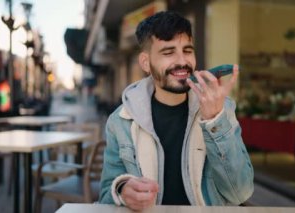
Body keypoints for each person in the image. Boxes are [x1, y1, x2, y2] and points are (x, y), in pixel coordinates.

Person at [99, 11, 254, 211]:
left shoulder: (221, 109)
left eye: (187, 50)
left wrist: (215, 121)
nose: (182, 61)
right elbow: (106, 194)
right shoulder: (121, 120)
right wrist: (122, 189)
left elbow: (239, 193)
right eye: (168, 52)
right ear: (146, 62)